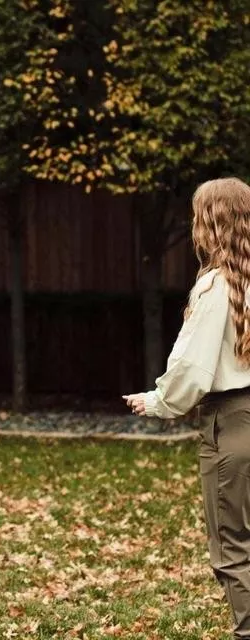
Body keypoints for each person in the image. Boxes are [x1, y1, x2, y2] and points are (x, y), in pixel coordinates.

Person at [124, 176, 250, 638]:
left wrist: (159, 401)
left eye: (199, 217)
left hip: (233, 425)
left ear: (212, 224)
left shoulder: (218, 285)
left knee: (233, 548)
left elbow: (191, 368)